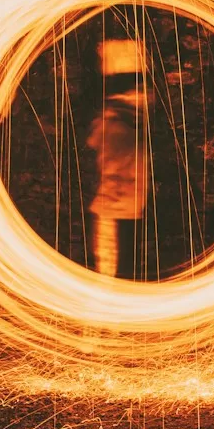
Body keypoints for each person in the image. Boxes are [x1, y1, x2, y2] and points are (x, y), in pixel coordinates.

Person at [85, 39, 151, 279]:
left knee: (113, 271)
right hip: (123, 207)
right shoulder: (128, 118)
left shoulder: (113, 120)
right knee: (117, 271)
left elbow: (94, 143)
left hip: (117, 207)